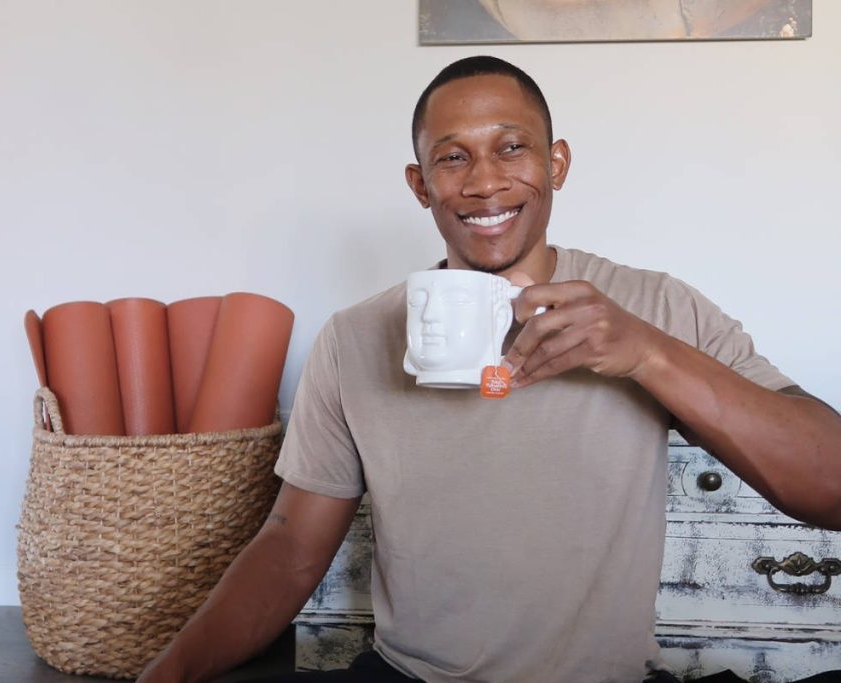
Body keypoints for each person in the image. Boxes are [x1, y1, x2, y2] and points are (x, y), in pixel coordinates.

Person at [137, 56, 841, 683]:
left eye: (511, 148)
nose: (485, 182)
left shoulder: (652, 306)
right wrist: (167, 672)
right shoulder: (353, 339)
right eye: (452, 158)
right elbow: (291, 548)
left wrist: (645, 353)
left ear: (556, 163)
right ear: (420, 184)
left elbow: (829, 484)